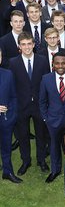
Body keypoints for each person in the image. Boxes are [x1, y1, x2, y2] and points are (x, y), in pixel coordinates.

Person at [9, 32, 50, 176]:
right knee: (23, 135)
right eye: (23, 44)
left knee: (41, 134)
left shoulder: (43, 60)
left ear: (33, 44)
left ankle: (41, 160)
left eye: (29, 44)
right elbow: (12, 85)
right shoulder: (13, 63)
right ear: (19, 46)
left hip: (39, 104)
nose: (27, 47)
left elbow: (46, 82)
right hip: (21, 105)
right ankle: (26, 160)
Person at [39, 51, 65, 183]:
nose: (60, 66)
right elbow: (42, 101)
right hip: (53, 120)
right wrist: (46, 118)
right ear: (53, 64)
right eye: (57, 63)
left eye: (63, 63)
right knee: (54, 145)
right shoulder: (46, 79)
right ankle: (55, 170)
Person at [0, 48, 20, 183]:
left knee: (6, 147)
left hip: (6, 120)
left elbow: (13, 96)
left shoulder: (8, 74)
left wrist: (12, 116)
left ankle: (7, 171)